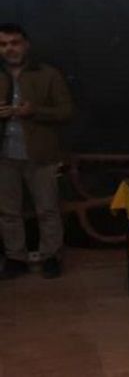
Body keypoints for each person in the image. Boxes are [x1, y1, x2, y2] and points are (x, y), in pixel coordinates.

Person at [0, 23, 73, 279]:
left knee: (48, 209)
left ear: (26, 45)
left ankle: (51, 256)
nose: (9, 49)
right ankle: (15, 258)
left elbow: (66, 111)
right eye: (3, 44)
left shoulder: (48, 74)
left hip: (41, 154)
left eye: (15, 43)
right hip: (4, 155)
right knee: (8, 212)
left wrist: (34, 111)